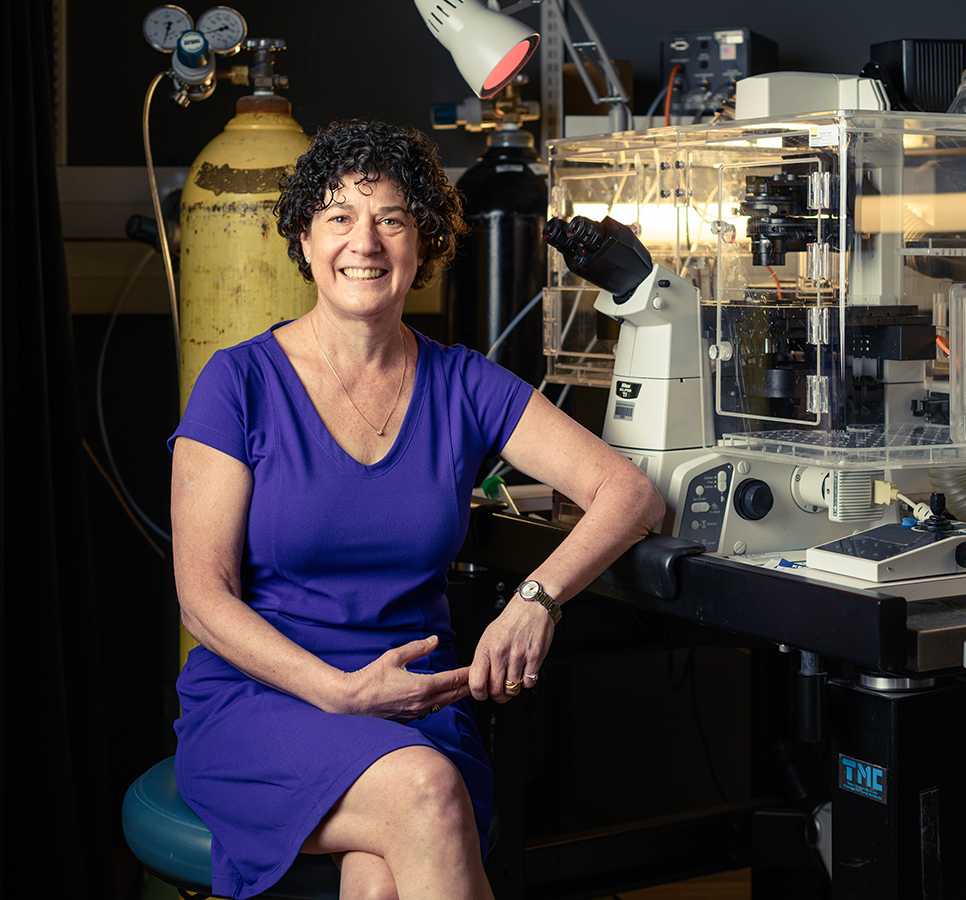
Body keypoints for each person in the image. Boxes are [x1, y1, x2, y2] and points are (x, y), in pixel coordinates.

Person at [168, 119, 666, 900]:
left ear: (422, 245)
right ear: (304, 239)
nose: (364, 242)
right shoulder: (239, 384)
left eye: (391, 219)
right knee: (426, 797)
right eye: (338, 217)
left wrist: (538, 599)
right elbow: (202, 599)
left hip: (413, 705)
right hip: (264, 701)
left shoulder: (464, 382)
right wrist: (336, 692)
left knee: (379, 879)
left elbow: (629, 491)